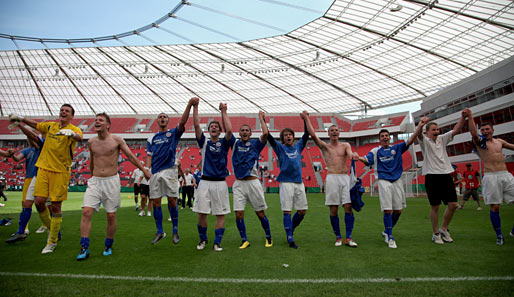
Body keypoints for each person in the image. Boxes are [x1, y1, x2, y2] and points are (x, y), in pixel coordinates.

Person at [9, 104, 83, 253]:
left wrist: (71, 134)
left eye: (67, 111)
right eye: (62, 110)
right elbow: (36, 126)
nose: (63, 112)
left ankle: (52, 241)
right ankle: (52, 229)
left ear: (71, 116)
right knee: (39, 202)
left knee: (55, 207)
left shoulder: (75, 129)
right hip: (43, 168)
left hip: (60, 171)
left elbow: (80, 138)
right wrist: (21, 119)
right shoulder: (51, 126)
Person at [77, 113, 150, 260]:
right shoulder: (91, 142)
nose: (97, 122)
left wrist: (144, 170)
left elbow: (130, 156)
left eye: (100, 120)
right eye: (96, 120)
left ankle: (108, 244)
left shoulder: (116, 140)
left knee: (111, 215)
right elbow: (92, 160)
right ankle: (84, 246)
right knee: (86, 212)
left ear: (108, 125)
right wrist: (91, 176)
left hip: (111, 181)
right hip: (95, 181)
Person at [354, 121, 426, 248]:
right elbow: (367, 160)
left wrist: (419, 126)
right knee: (387, 209)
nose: (385, 137)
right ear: (380, 139)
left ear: (390, 137)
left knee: (398, 211)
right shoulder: (376, 151)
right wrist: (358, 158)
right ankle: (390, 236)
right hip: (384, 181)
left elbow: (410, 141)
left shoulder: (396, 148)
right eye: (382, 136)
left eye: (387, 135)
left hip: (397, 180)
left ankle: (387, 231)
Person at [303, 111, 357, 247]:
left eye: (336, 130)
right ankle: (338, 237)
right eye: (331, 130)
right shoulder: (325, 147)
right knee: (333, 209)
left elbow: (350, 154)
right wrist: (306, 118)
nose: (334, 132)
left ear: (339, 133)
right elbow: (313, 135)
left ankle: (349, 238)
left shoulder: (345, 145)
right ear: (328, 134)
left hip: (345, 177)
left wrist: (353, 155)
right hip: (332, 177)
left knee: (348, 207)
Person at [146, 98, 195, 245]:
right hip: (155, 172)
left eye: (165, 117)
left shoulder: (173, 133)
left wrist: (189, 105)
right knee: (155, 202)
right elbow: (149, 156)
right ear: (157, 121)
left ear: (168, 121)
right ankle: (160, 231)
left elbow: (182, 122)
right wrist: (147, 170)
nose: (162, 118)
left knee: (172, 201)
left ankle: (175, 230)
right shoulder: (151, 138)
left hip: (170, 171)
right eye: (160, 117)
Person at [418, 109, 468, 245]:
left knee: (453, 204)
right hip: (431, 176)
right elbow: (418, 134)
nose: (436, 131)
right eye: (433, 129)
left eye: (437, 129)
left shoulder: (442, 139)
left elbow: (456, 130)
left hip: (446, 174)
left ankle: (444, 229)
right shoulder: (425, 141)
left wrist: (463, 117)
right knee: (435, 206)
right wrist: (421, 124)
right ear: (427, 132)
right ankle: (435, 233)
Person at [193, 100, 235, 252]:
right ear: (209, 130)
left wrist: (223, 111)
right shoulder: (204, 142)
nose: (214, 128)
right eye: (212, 127)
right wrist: (195, 107)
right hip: (204, 182)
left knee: (220, 214)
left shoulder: (224, 142)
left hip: (220, 183)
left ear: (219, 130)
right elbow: (197, 126)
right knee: (202, 213)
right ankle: (203, 240)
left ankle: (217, 242)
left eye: (217, 127)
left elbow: (229, 131)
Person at [467, 112, 514, 245]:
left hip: (505, 174)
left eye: (487, 129)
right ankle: (499, 235)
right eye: (483, 129)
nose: (485, 131)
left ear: (492, 130)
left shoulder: (500, 142)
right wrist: (470, 118)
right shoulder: (480, 142)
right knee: (495, 207)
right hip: (491, 176)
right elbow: (473, 134)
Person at [266, 112, 310, 249]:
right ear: (283, 139)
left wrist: (305, 119)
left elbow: (307, 134)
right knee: (287, 211)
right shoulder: (280, 148)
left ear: (293, 137)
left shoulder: (298, 147)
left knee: (302, 211)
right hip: (286, 182)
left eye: (290, 134)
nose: (288, 136)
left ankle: (290, 229)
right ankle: (290, 238)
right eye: (285, 135)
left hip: (298, 182)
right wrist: (262, 119)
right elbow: (268, 136)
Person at [231, 111, 272, 249]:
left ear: (250, 133)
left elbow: (265, 134)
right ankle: (244, 240)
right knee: (238, 213)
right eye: (242, 130)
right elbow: (227, 129)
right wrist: (223, 111)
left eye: (247, 130)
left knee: (260, 213)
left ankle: (268, 237)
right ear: (239, 133)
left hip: (253, 182)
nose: (244, 132)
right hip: (238, 183)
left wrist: (261, 118)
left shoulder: (255, 144)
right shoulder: (235, 144)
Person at [5, 124, 46, 243]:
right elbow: (17, 159)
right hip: (29, 178)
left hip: (41, 177)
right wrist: (11, 154)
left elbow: (34, 140)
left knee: (44, 205)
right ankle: (22, 231)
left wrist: (24, 128)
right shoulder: (27, 150)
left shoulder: (40, 147)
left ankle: (51, 229)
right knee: (26, 204)